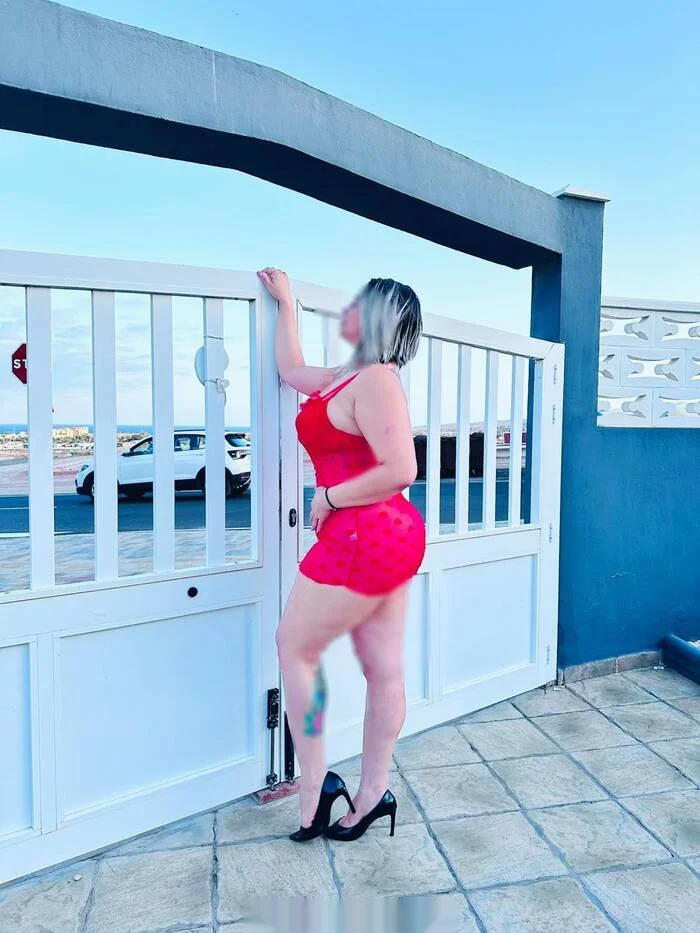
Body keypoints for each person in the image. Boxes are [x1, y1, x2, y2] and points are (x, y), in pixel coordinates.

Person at [257, 267, 426, 843]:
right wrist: (287, 304)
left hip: (366, 534)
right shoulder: (342, 377)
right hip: (378, 533)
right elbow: (289, 369)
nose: (350, 309)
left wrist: (328, 497)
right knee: (382, 668)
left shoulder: (377, 379)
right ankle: (372, 797)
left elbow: (402, 468)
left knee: (294, 646)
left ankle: (314, 789)